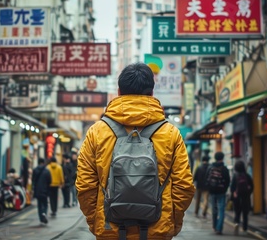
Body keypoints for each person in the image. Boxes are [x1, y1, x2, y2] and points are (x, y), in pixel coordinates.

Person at [76, 62, 195, 239]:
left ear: (118, 92)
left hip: (110, 230)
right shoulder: (170, 133)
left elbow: (85, 186)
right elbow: (184, 186)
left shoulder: (97, 132)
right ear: (152, 93)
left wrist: (97, 221)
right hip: (157, 230)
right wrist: (170, 222)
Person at [208, 151, 230, 235]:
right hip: (221, 192)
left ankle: (214, 225)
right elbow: (228, 181)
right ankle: (219, 228)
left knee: (214, 209)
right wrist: (225, 189)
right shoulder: (224, 169)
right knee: (221, 210)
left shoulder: (211, 167)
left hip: (212, 192)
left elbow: (207, 178)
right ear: (222, 158)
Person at [230, 160, 254, 235]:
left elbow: (232, 187)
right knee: (245, 213)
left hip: (237, 197)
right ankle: (245, 228)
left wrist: (234, 193)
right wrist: (248, 193)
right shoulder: (247, 176)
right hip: (245, 197)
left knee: (237, 212)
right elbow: (252, 186)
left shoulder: (235, 176)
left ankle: (236, 224)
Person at [33, 158, 51, 225]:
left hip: (37, 191)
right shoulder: (47, 171)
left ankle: (41, 219)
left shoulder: (35, 170)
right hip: (45, 190)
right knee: (45, 204)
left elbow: (33, 180)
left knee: (39, 204)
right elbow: (50, 181)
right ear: (43, 162)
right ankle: (44, 213)